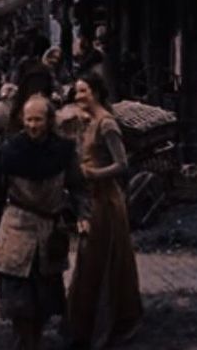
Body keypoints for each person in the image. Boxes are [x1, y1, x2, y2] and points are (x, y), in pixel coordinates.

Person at [0, 95, 89, 350]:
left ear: (49, 120)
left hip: (48, 232)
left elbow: (78, 187)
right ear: (22, 120)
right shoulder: (9, 153)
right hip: (16, 230)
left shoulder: (63, 151)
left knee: (44, 302)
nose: (32, 125)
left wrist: (84, 215)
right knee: (20, 306)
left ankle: (35, 340)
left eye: (38, 120)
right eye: (29, 119)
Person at [67, 72, 142, 349]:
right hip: (91, 198)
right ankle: (83, 325)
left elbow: (122, 165)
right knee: (88, 261)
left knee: (103, 258)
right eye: (76, 92)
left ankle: (112, 321)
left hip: (106, 201)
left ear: (96, 92)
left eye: (82, 91)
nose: (78, 97)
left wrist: (93, 173)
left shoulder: (107, 124)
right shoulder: (87, 122)